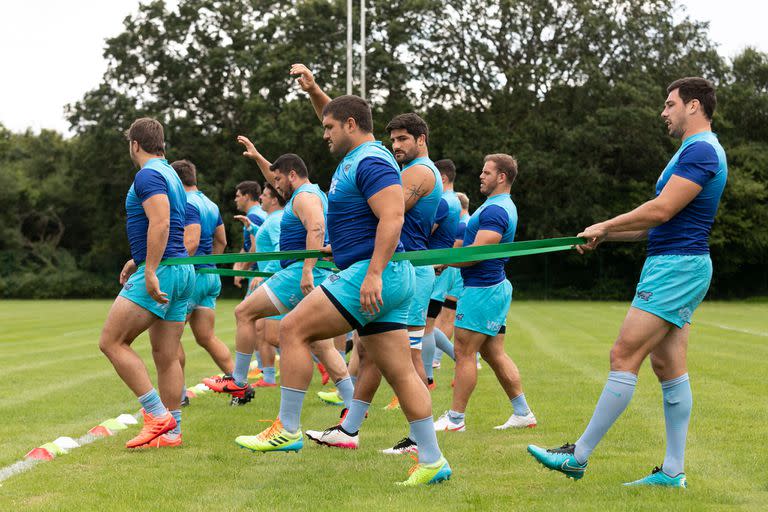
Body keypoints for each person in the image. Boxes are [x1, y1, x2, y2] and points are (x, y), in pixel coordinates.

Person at [235, 64, 451, 486]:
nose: (325, 134)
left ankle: (288, 430)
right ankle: (432, 459)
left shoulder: (370, 160)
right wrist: (314, 91)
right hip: (384, 271)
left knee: (294, 330)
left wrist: (371, 274)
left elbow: (391, 217)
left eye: (331, 127)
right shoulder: (361, 155)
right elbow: (334, 116)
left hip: (377, 273)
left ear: (352, 125)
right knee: (400, 370)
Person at [528, 77, 727, 488]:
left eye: (670, 104)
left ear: (693, 106)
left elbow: (662, 210)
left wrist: (606, 222)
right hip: (674, 263)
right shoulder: (692, 151)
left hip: (677, 268)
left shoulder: (702, 150)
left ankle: (577, 456)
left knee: (623, 354)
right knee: (668, 365)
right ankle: (673, 472)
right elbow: (655, 224)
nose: (664, 112)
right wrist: (604, 235)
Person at [204, 142, 354, 409]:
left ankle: (238, 380)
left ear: (292, 175)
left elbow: (317, 227)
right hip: (310, 272)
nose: (276, 187)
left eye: (278, 181)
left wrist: (306, 269)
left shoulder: (304, 196)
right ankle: (354, 404)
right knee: (322, 346)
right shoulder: (311, 191)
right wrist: (258, 157)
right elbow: (276, 174)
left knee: (244, 312)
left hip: (298, 272)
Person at [98, 118, 194, 448]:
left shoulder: (148, 174)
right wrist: (138, 259)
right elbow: (168, 223)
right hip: (181, 270)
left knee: (111, 342)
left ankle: (156, 415)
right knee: (166, 356)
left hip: (164, 269)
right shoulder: (171, 175)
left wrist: (149, 269)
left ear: (135, 144)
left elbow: (161, 221)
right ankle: (172, 432)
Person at [433, 154, 537, 433]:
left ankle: (455, 420)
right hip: (491, 288)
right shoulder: (497, 206)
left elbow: (477, 255)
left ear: (501, 177)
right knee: (493, 354)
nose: (481, 176)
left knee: (464, 352)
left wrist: (442, 260)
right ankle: (522, 412)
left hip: (483, 289)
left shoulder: (496, 210)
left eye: (487, 172)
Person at [171, 159, 232, 398]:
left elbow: (191, 242)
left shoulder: (185, 202)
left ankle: (178, 394)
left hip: (192, 276)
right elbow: (222, 240)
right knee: (206, 337)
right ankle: (239, 386)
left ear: (176, 180)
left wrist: (179, 272)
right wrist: (212, 264)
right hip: (210, 276)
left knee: (170, 336)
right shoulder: (210, 204)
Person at [420, 158, 462, 387]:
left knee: (424, 325)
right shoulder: (453, 201)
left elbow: (423, 233)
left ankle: (427, 378)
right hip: (439, 269)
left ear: (442, 178)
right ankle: (460, 358)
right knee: (428, 324)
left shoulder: (443, 202)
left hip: (432, 269)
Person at [432, 191, 471, 369]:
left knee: (440, 318)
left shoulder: (463, 225)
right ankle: (440, 358)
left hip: (453, 273)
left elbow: (454, 251)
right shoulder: (467, 222)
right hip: (459, 275)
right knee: (444, 317)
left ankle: (437, 359)